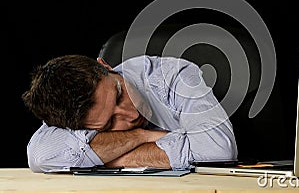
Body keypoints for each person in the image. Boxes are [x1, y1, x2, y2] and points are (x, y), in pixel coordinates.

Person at [22, 54, 238, 173]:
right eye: (110, 123)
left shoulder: (172, 76)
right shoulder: (71, 112)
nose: (130, 113)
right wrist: (140, 136)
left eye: (119, 94)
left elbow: (217, 151)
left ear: (106, 66)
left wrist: (103, 157)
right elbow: (40, 156)